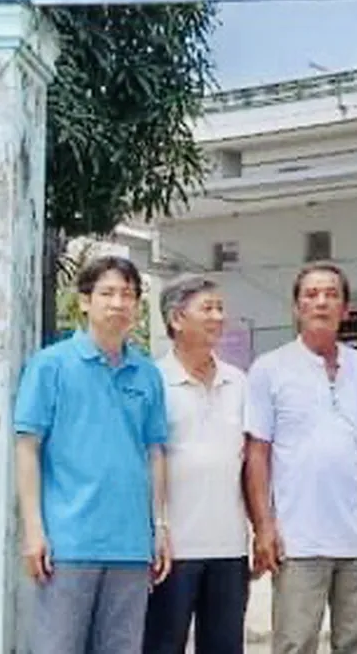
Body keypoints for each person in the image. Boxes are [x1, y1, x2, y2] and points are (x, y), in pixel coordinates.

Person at [14, 255, 171, 654]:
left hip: (131, 545)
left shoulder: (147, 373)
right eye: (107, 293)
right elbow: (27, 447)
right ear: (85, 301)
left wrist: (159, 527)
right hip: (68, 543)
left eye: (128, 294)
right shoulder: (50, 366)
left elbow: (155, 452)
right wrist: (34, 530)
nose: (118, 303)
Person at [244, 263, 357, 654]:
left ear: (346, 309)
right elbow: (257, 452)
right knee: (295, 643)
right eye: (311, 294)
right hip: (298, 540)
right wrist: (264, 526)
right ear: (296, 308)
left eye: (331, 294)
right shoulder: (269, 369)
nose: (321, 302)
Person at [143, 275, 251, 653]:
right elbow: (146, 460)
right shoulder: (153, 381)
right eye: (207, 308)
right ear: (176, 319)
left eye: (220, 308)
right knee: (161, 645)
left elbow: (249, 461)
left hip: (230, 547)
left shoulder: (238, 381)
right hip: (172, 550)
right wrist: (156, 528)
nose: (218, 317)